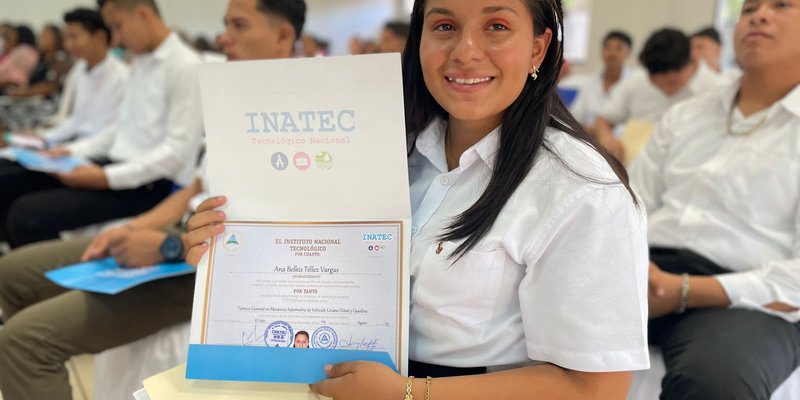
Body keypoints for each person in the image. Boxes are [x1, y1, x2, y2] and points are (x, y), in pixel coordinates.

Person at [185, 0, 649, 398]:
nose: (466, 52)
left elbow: (595, 388)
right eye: (444, 26)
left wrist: (409, 393)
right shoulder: (381, 149)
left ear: (538, 48)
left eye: (497, 26)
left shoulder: (581, 191)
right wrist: (228, 251)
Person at [0, 0, 307, 399]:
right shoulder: (238, 98)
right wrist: (133, 230)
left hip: (211, 266)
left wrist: (167, 246)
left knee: (24, 343)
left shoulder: (304, 116)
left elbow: (275, 238)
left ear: (283, 34)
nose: (222, 37)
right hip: (180, 232)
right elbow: (192, 190)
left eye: (238, 25)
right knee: (12, 273)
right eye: (224, 24)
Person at [630, 0, 800, 398]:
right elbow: (630, 206)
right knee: (513, 324)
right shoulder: (685, 115)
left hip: (743, 298)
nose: (758, 15)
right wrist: (634, 269)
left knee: (714, 383)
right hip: (646, 270)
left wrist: (686, 290)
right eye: (750, 7)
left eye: (781, 5)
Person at [0, 0, 205, 248]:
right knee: (10, 179)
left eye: (117, 27)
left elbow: (177, 152)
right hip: (116, 166)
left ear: (142, 14)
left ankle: (35, 279)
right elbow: (118, 129)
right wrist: (71, 152)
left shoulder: (185, 66)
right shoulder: (140, 64)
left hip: (149, 184)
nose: (116, 39)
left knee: (27, 215)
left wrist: (106, 177)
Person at [593, 28, 722, 161]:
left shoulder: (715, 90)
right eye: (657, 85)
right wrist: (607, 138)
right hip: (631, 166)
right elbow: (604, 120)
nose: (665, 90)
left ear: (692, 60)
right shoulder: (638, 80)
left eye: (672, 83)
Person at [569, 30, 632, 133]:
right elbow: (574, 118)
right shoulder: (589, 83)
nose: (612, 53)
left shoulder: (633, 83)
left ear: (628, 53)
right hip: (589, 142)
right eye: (607, 47)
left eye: (618, 48)